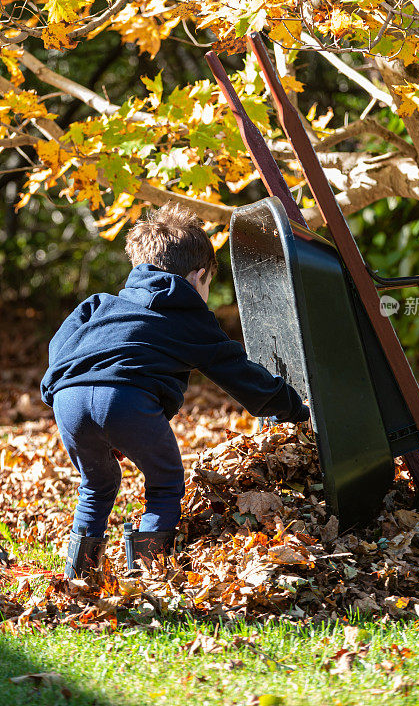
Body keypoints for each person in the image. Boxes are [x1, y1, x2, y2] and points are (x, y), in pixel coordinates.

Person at [41, 203, 309, 578]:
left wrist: (57, 392)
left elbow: (59, 347)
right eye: (208, 284)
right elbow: (238, 373)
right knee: (164, 482)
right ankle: (147, 578)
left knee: (97, 484)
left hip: (68, 401)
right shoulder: (186, 314)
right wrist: (295, 409)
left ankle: (79, 576)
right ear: (198, 276)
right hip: (125, 399)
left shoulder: (98, 305)